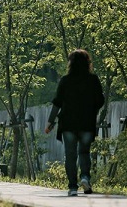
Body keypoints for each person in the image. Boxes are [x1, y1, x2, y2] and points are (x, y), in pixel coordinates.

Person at [45, 49, 104, 196]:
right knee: (84, 152)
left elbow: (57, 102)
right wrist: (91, 110)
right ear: (87, 63)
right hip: (86, 123)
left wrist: (50, 122)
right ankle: (85, 178)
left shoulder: (65, 80)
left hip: (68, 124)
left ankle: (72, 187)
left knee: (70, 155)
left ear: (70, 63)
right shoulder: (93, 80)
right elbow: (100, 100)